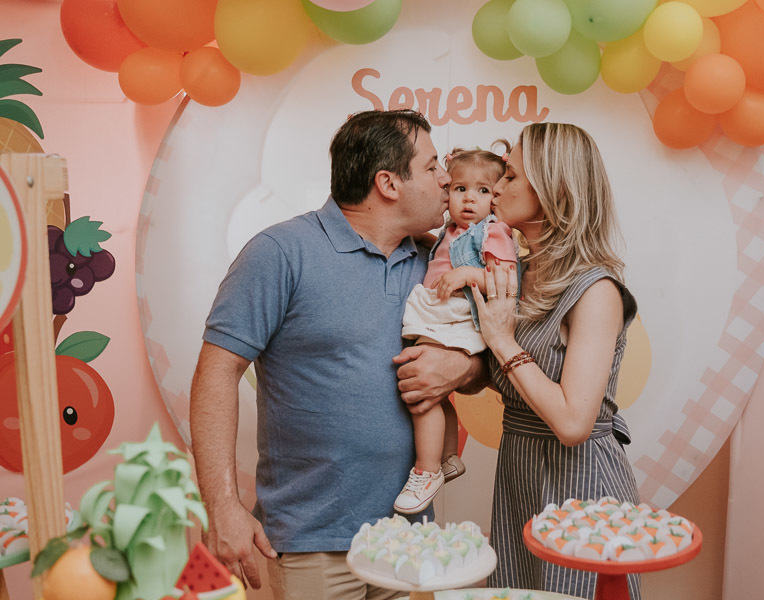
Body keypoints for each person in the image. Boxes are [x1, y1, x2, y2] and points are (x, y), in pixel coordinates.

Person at [189, 109, 486, 600]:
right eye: (433, 166)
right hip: (313, 541)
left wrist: (464, 365)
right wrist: (222, 505)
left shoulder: (437, 259)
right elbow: (217, 371)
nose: (446, 179)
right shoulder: (280, 252)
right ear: (388, 183)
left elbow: (480, 366)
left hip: (409, 538)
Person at [471, 123, 642, 600]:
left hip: (581, 483)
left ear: (553, 191)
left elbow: (572, 422)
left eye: (511, 177)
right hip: (519, 473)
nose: (496, 187)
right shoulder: (514, 275)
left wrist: (502, 342)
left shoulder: (596, 291)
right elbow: (498, 377)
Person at [393, 144, 518, 515]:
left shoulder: (493, 232)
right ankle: (448, 456)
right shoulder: (449, 231)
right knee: (438, 390)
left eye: (482, 191)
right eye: (460, 189)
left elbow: (508, 279)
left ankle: (427, 470)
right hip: (440, 311)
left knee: (421, 392)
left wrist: (467, 274)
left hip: (458, 315)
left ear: (495, 198)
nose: (468, 199)